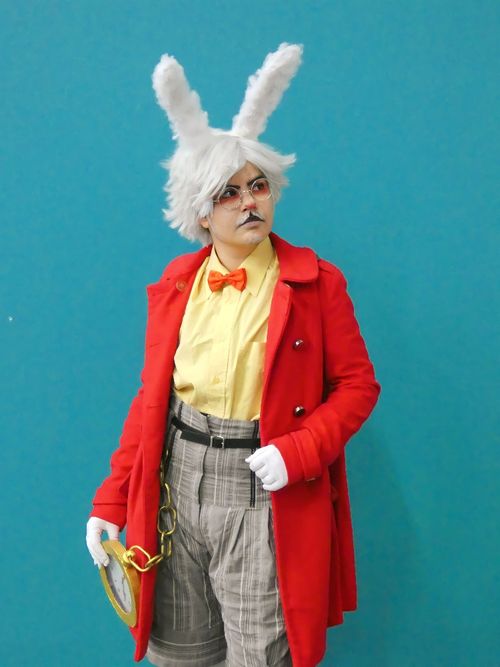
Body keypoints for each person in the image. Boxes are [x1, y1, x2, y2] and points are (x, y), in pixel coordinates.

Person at [86, 43, 381, 667]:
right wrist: (113, 498)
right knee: (179, 650)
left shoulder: (316, 284)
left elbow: (358, 386)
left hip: (262, 488)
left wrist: (298, 451)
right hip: (175, 482)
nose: (250, 202)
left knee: (262, 653)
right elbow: (152, 400)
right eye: (229, 192)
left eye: (258, 186)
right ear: (200, 210)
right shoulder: (177, 284)